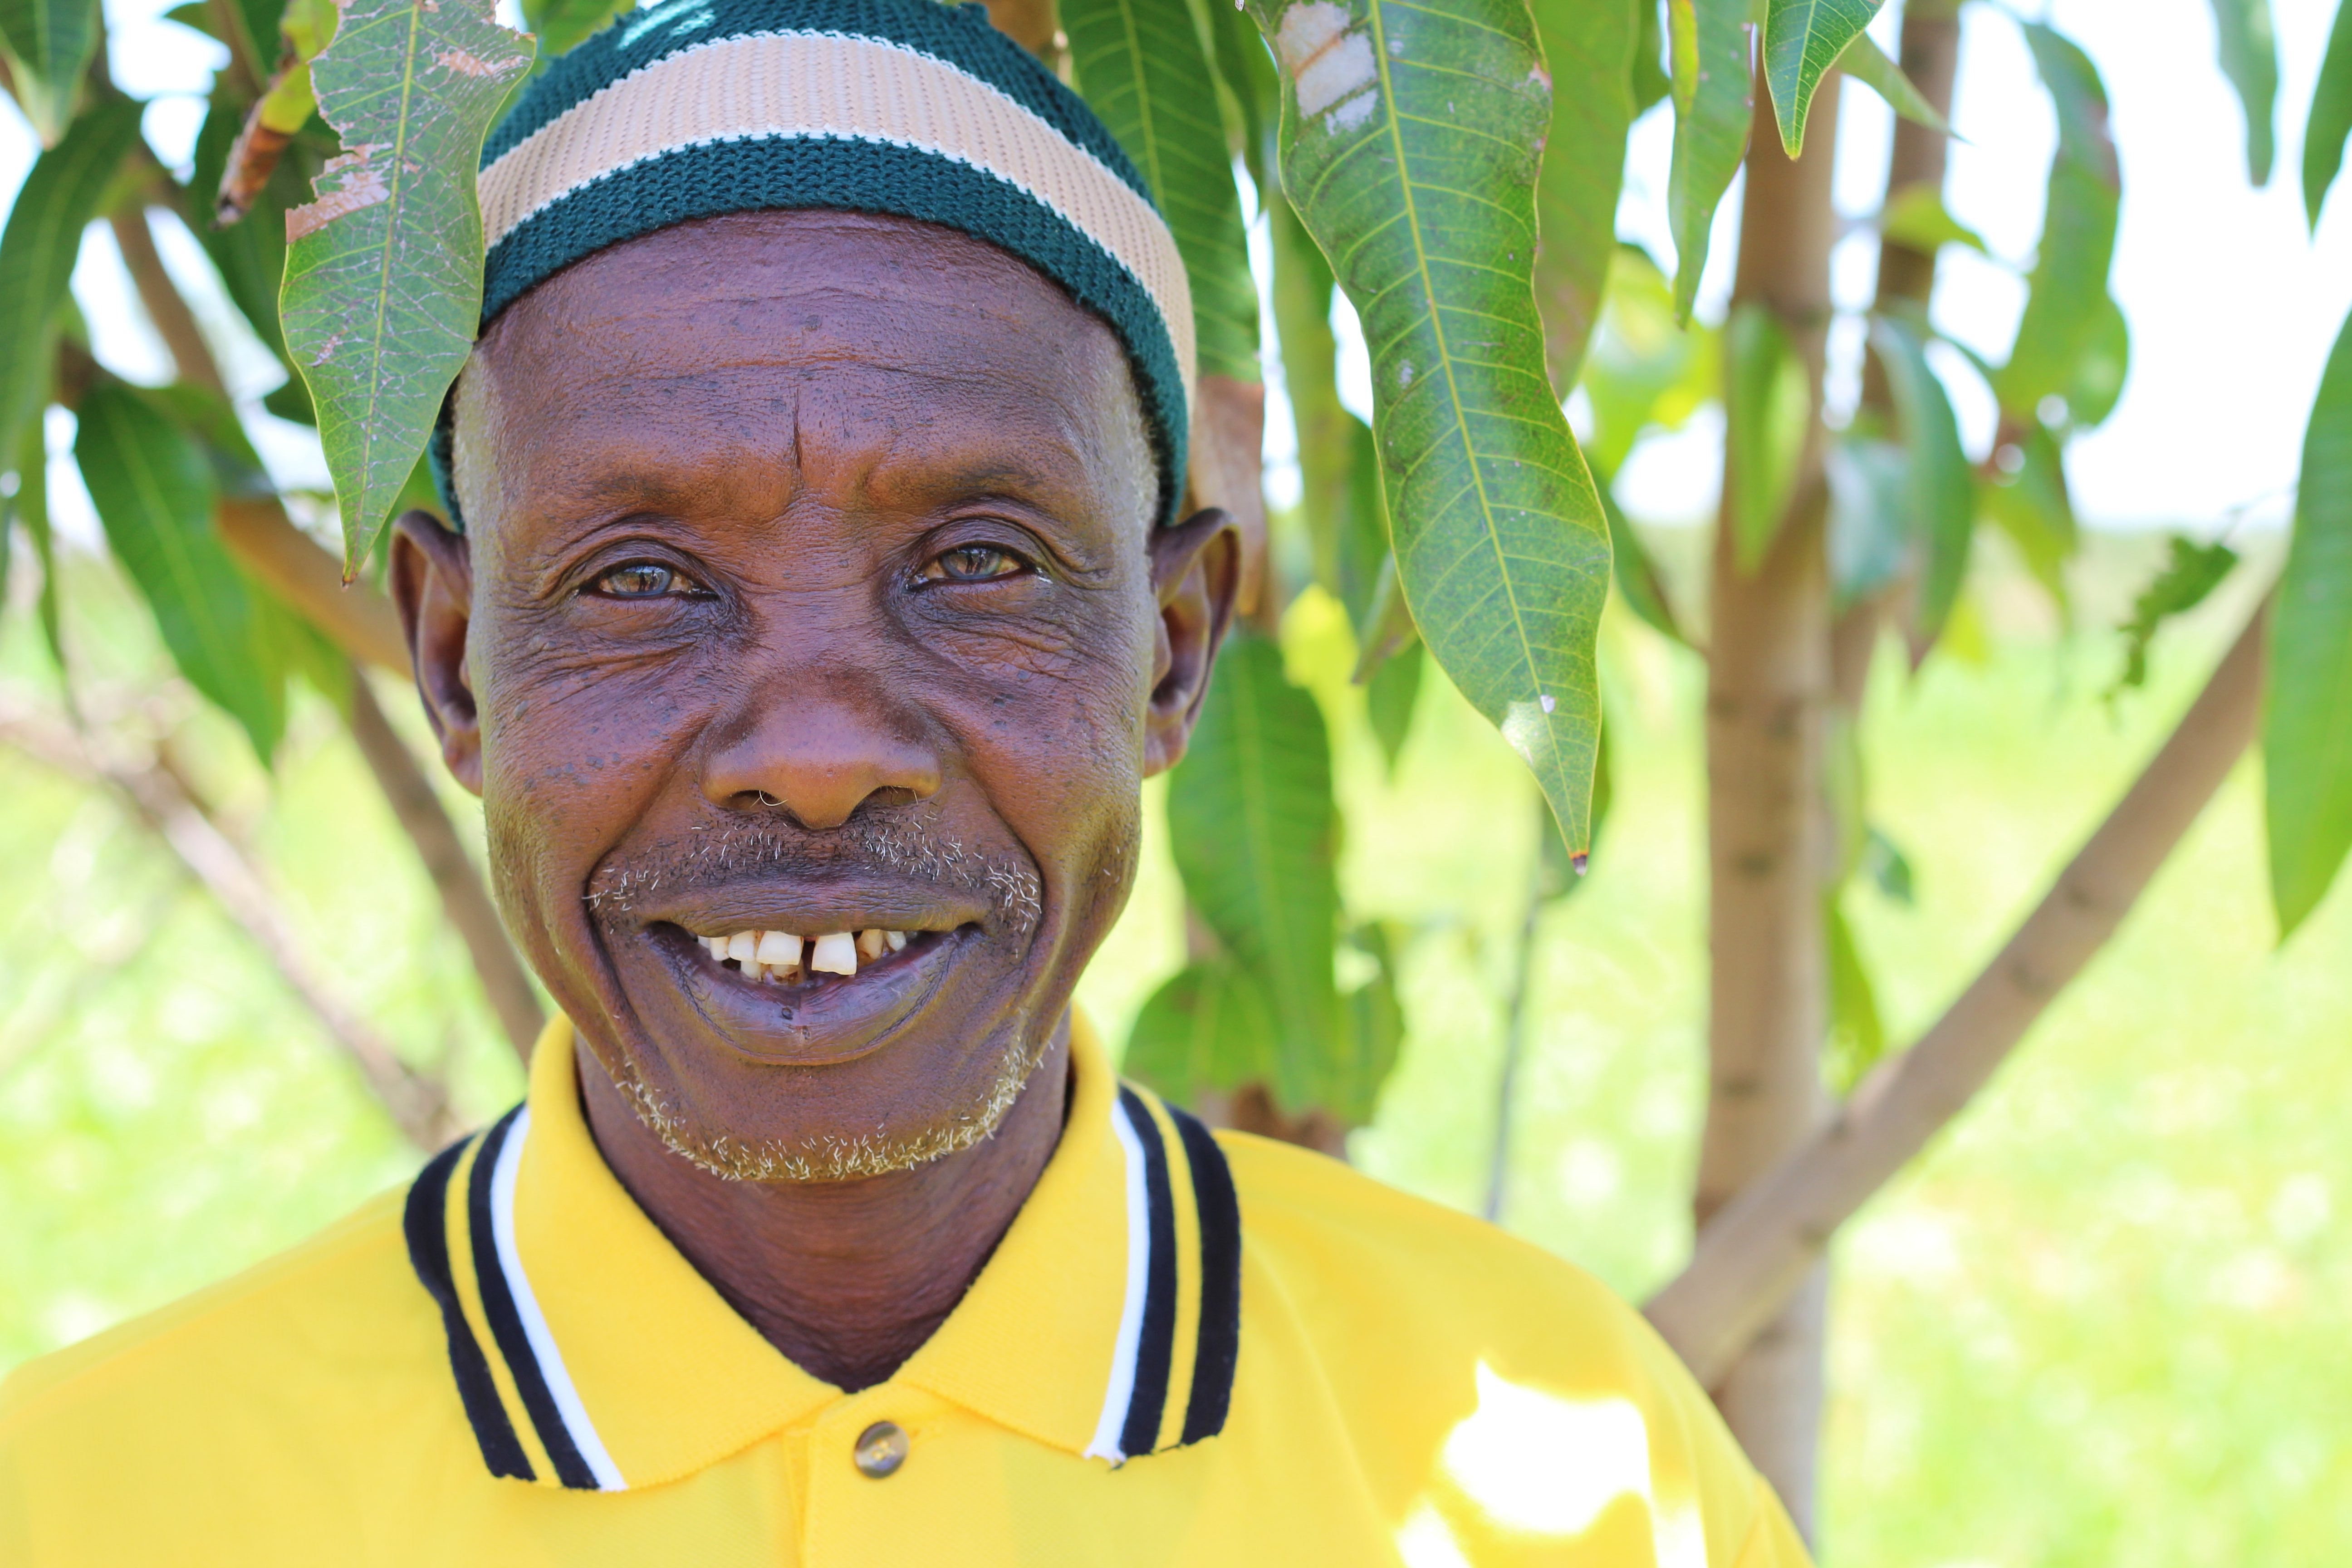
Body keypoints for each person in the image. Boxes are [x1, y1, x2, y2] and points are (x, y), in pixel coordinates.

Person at [0, 1, 1810, 1560]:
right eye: (641, 580)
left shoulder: (1581, 1481)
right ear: (456, 656)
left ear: (1175, 647)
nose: (813, 753)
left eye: (977, 566)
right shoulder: (87, 1511)